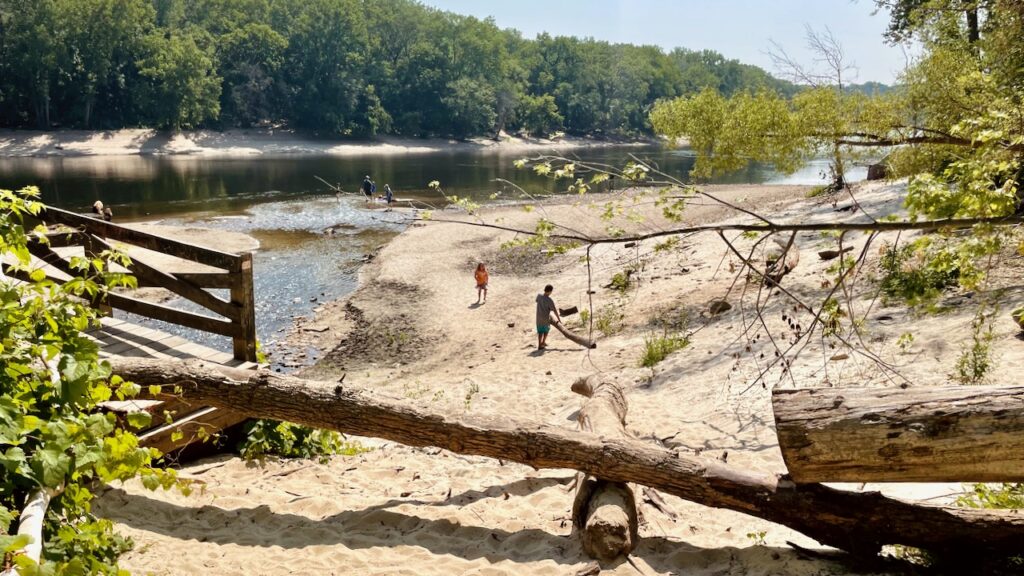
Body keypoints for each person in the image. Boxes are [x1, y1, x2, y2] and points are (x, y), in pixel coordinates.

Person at [535, 284, 560, 349]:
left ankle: (539, 344)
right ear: (549, 291)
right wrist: (558, 319)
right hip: (545, 318)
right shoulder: (549, 300)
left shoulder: (539, 296)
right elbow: (554, 310)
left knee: (540, 331)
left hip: (538, 317)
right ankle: (543, 342)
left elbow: (537, 301)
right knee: (546, 330)